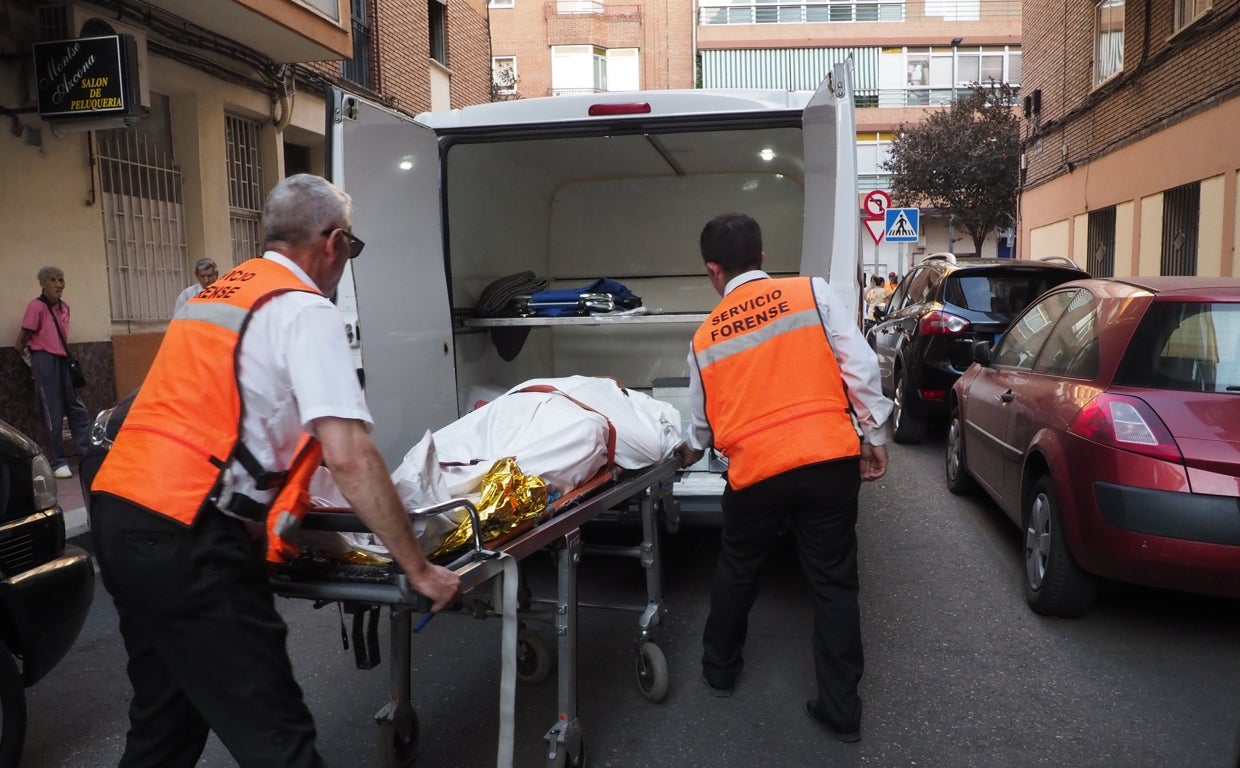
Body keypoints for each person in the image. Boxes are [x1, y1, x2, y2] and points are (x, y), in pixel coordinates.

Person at [89, 174, 462, 767]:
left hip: (120, 512)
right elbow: (349, 454)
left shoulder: (218, 295)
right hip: (189, 534)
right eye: (352, 250)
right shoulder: (303, 309)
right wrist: (417, 568)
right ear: (334, 242)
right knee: (276, 739)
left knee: (166, 722)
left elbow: (233, 419)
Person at [677, 212, 892, 744]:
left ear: (713, 270)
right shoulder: (811, 293)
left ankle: (719, 670)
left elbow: (702, 428)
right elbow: (860, 367)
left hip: (756, 475)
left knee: (738, 570)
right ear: (764, 259)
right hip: (827, 462)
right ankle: (842, 712)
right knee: (833, 581)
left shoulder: (704, 338)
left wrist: (685, 453)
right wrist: (875, 435)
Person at [15, 266, 92, 479]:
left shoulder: (64, 307)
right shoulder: (36, 307)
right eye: (52, 280)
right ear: (42, 284)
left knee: (77, 409)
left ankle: (88, 454)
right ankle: (58, 461)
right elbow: (20, 343)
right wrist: (34, 364)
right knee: (53, 412)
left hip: (63, 361)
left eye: (61, 280)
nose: (58, 285)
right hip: (44, 360)